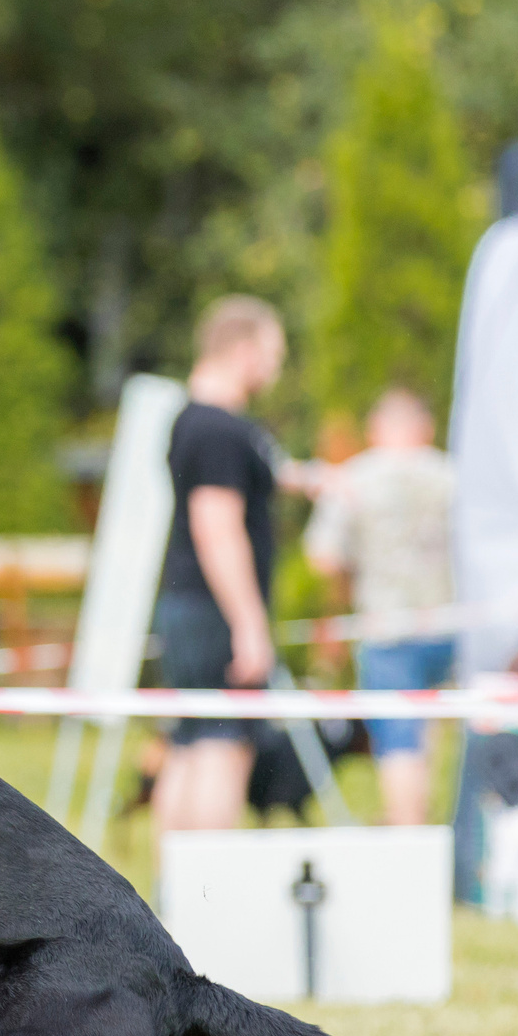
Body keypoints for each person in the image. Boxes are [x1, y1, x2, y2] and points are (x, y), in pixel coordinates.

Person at [152, 295, 292, 834]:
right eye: (272, 353)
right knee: (223, 746)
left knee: (188, 744)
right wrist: (249, 625)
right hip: (215, 611)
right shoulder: (219, 431)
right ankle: (206, 896)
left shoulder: (193, 421)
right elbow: (218, 530)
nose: (276, 368)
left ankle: (174, 900)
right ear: (243, 349)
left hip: (189, 605)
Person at [303, 387, 455, 826]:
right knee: (432, 737)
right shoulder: (450, 475)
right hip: (448, 624)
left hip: (385, 628)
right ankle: (432, 836)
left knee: (398, 741)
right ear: (424, 428)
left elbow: (323, 556)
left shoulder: (354, 478)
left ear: (375, 430)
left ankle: (409, 843)